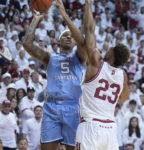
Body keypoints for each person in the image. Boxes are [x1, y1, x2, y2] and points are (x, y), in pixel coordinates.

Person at [22, 0, 87, 149]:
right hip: (52, 107)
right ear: (58, 41)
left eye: (72, 36)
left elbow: (82, 41)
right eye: (65, 35)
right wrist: (35, 19)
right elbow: (27, 44)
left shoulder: (81, 57)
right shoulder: (49, 57)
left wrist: (64, 14)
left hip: (73, 107)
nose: (70, 37)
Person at [75, 0, 130, 150]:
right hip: (110, 129)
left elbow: (89, 30)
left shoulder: (97, 63)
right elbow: (124, 97)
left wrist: (88, 4)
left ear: (111, 55)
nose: (108, 49)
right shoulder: (122, 75)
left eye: (110, 48)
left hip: (90, 126)